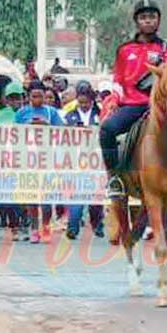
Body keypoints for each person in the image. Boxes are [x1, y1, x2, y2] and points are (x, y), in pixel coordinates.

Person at [99, 0, 167, 200]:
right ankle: (115, 179)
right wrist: (114, 99)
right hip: (134, 105)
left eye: (152, 17)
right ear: (136, 21)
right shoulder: (124, 50)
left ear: (158, 20)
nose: (148, 21)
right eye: (143, 17)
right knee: (107, 130)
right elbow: (118, 81)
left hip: (165, 107)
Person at [16, 81, 64, 243]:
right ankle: (34, 228)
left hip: (47, 159)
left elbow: (63, 133)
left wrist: (47, 126)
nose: (37, 99)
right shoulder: (22, 113)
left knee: (46, 198)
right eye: (34, 96)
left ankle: (46, 226)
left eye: (41, 96)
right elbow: (14, 134)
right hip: (28, 159)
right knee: (31, 198)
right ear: (28, 97)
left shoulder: (51, 113)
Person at [64, 86, 104, 240]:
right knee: (77, 195)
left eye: (86, 103)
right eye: (80, 103)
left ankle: (97, 225)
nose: (83, 106)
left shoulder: (100, 115)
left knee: (96, 197)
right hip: (76, 159)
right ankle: (72, 228)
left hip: (96, 159)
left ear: (92, 101)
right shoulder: (69, 116)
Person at [0, 82, 26, 235]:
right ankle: (5, 218)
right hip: (4, 157)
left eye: (17, 98)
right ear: (6, 99)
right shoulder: (0, 114)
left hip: (24, 159)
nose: (15, 101)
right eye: (11, 98)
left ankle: (22, 219)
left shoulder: (27, 113)